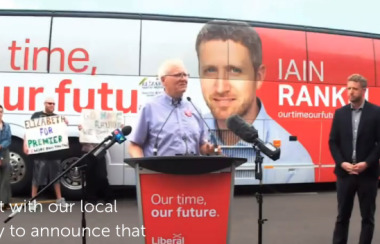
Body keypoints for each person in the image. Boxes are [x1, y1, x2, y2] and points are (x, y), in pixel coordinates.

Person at [195, 20, 314, 184]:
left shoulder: (295, 158)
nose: (221, 87)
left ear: (258, 77)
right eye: (210, 70)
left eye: (235, 70)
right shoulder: (190, 133)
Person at [128, 59, 221, 157]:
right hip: (159, 171)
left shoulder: (194, 107)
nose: (184, 79)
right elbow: (134, 145)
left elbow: (202, 146)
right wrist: (144, 168)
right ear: (163, 80)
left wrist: (211, 150)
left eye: (185, 75)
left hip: (191, 170)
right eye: (178, 75)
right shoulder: (150, 107)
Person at [329, 74, 380, 244]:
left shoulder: (376, 112)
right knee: (342, 216)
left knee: (368, 218)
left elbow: (379, 143)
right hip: (345, 175)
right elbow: (333, 142)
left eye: (354, 89)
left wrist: (367, 163)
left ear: (364, 90)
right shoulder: (340, 113)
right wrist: (342, 163)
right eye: (348, 88)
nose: (350, 92)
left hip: (368, 175)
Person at [23, 97, 69, 211]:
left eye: (54, 104)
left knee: (56, 176)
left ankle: (59, 199)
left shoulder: (56, 118)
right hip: (40, 153)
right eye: (50, 103)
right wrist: (25, 144)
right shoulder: (36, 116)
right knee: (37, 177)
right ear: (44, 103)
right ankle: (33, 200)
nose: (52, 105)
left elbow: (61, 133)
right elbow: (29, 132)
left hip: (54, 152)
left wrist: (65, 123)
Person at [77, 123, 124, 204]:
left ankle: (109, 198)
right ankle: (91, 199)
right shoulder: (86, 123)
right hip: (87, 152)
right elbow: (81, 142)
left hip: (100, 151)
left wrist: (121, 130)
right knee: (89, 176)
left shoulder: (104, 123)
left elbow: (120, 138)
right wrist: (81, 131)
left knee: (102, 175)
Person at [0, 105, 12, 211]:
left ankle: (5, 202)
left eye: (1, 112)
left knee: (5, 178)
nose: (0, 113)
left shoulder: (6, 126)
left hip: (4, 152)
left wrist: (2, 145)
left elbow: (9, 139)